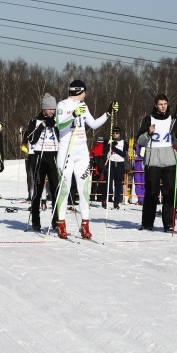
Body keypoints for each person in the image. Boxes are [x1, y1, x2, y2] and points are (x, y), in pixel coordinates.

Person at [54, 79, 116, 239]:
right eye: (84, 92)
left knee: (84, 191)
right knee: (64, 189)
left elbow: (94, 124)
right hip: (66, 149)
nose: (86, 95)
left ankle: (85, 225)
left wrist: (108, 113)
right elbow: (60, 126)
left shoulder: (84, 105)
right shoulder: (62, 105)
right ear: (79, 91)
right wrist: (74, 115)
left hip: (82, 151)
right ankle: (61, 224)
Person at [136, 94, 177, 232]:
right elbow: (140, 141)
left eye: (165, 103)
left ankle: (169, 223)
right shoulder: (149, 119)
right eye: (160, 104)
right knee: (152, 192)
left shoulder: (173, 120)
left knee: (169, 192)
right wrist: (148, 132)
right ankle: (147, 222)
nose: (163, 106)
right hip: (153, 160)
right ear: (156, 105)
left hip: (169, 159)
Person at [25, 93, 60, 232]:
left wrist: (55, 126)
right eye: (50, 109)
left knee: (55, 190)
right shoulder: (35, 121)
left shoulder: (57, 120)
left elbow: (62, 136)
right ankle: (36, 221)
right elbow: (31, 138)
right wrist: (43, 125)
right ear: (44, 108)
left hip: (53, 157)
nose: (52, 111)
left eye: (54, 109)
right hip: (39, 157)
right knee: (38, 191)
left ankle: (56, 220)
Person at [103, 127, 126, 210]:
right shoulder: (109, 141)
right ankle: (104, 199)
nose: (115, 134)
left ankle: (116, 201)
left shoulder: (123, 142)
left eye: (117, 133)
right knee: (108, 182)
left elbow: (124, 154)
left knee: (118, 184)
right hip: (111, 162)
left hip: (119, 163)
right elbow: (104, 151)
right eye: (114, 133)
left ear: (120, 133)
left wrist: (114, 148)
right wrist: (110, 145)